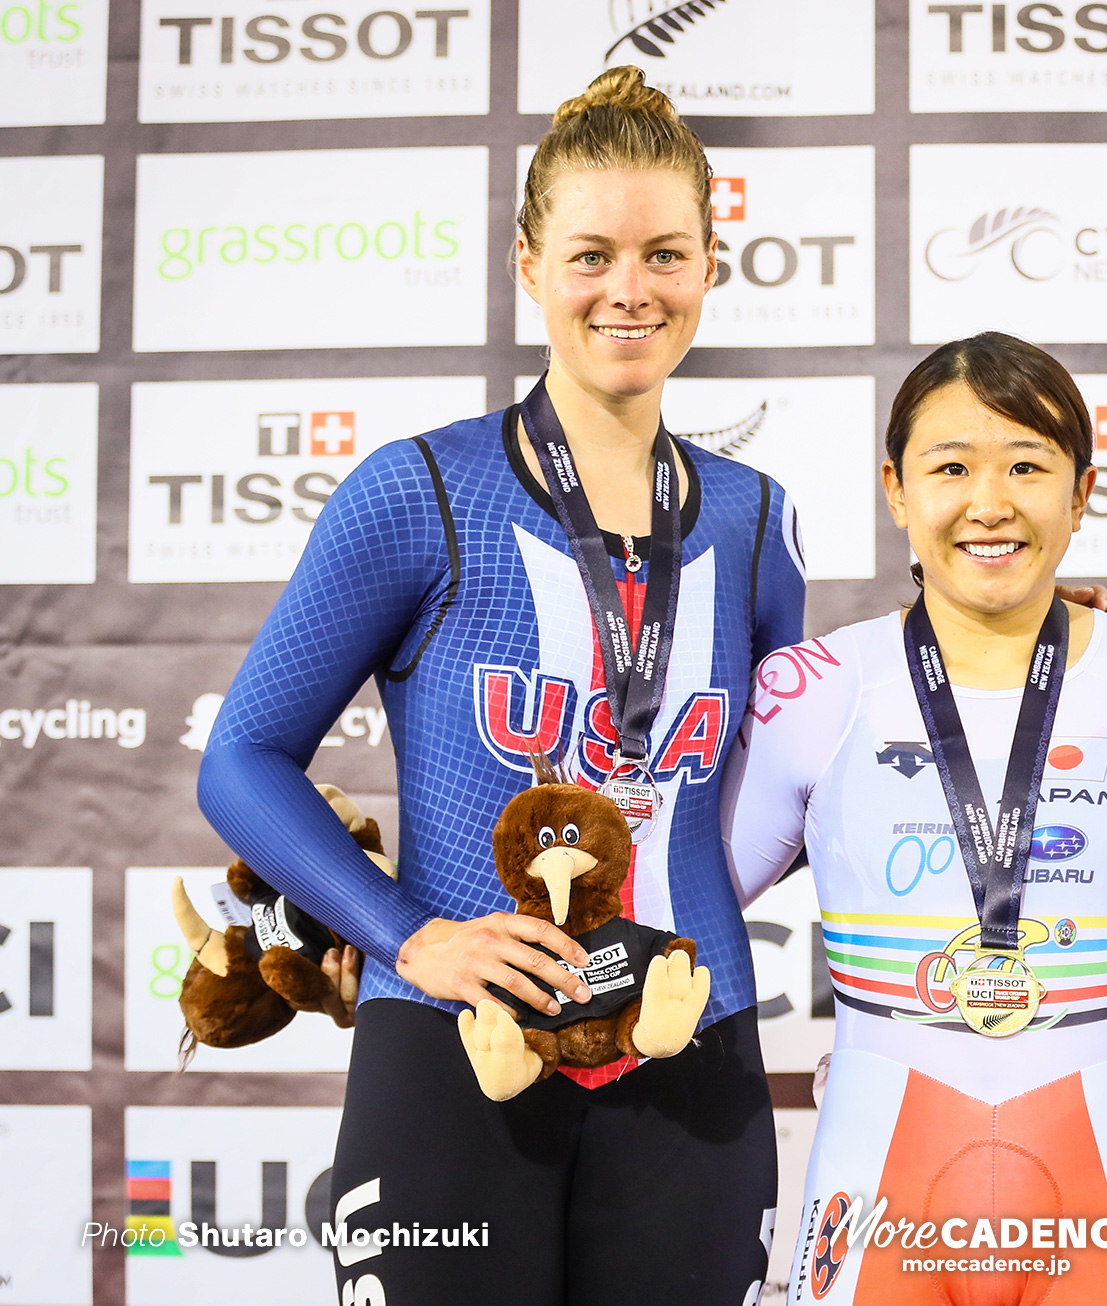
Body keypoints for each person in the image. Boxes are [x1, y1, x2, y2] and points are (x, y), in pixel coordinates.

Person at [198, 67, 799, 1304]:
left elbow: (808, 768)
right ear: (527, 263)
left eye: (664, 254)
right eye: (591, 255)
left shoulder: (752, 517)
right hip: (455, 1048)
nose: (629, 290)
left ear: (708, 264)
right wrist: (408, 935)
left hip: (691, 1041)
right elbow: (242, 758)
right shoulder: (420, 490)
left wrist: (1027, 650)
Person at [721, 332, 1107, 1306]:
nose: (988, 503)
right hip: (876, 1203)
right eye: (950, 467)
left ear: (1080, 492)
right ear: (896, 488)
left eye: (1027, 466)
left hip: (1102, 1204)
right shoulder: (809, 691)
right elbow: (667, 908)